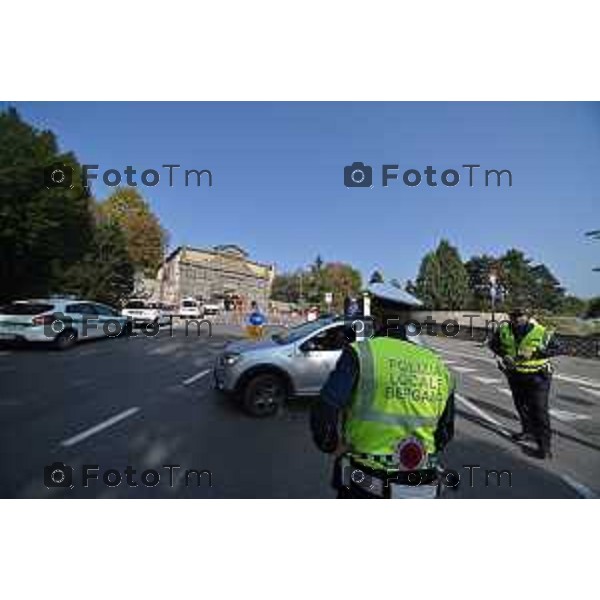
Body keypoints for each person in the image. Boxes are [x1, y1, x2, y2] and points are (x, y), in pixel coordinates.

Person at [310, 312, 455, 499]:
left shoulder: (362, 352)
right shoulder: (439, 366)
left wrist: (332, 446)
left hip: (364, 482)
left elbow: (324, 410)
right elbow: (445, 433)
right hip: (421, 482)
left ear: (377, 319)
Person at [489, 307, 559, 459]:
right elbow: (493, 344)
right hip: (515, 374)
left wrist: (534, 354)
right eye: (513, 315)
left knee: (539, 410)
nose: (516, 318)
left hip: (538, 375)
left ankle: (544, 447)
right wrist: (504, 354)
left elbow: (557, 348)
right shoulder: (504, 329)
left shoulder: (541, 331)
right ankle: (527, 432)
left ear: (528, 316)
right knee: (521, 405)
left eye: (520, 315)